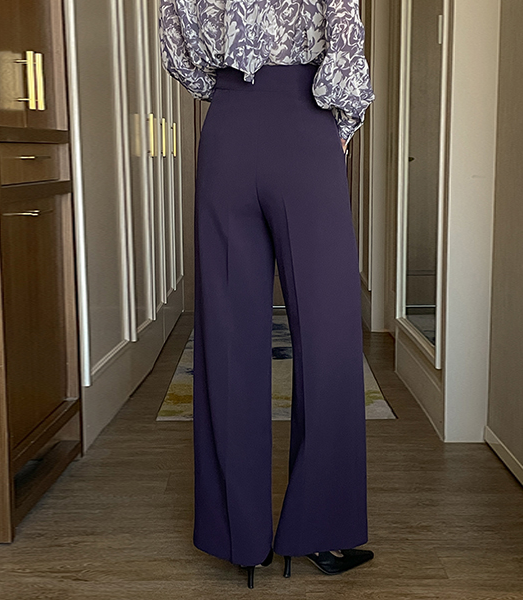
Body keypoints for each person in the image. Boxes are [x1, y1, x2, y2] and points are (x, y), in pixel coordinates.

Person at [159, 0, 376, 589]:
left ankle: (240, 539)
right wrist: (341, 126)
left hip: (227, 128)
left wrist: (234, 92)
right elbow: (344, 38)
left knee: (228, 336)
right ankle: (320, 531)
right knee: (328, 333)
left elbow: (179, 54)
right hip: (305, 123)